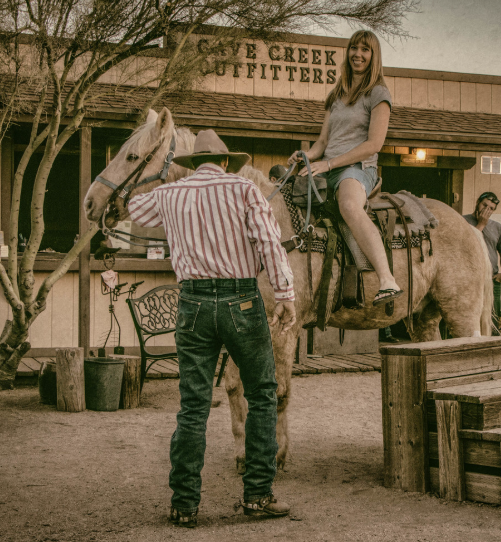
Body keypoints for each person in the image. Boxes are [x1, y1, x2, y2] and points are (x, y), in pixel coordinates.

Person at [128, 129, 297, 528]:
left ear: (192, 164)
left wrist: (165, 175)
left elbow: (134, 208)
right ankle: (257, 495)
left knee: (193, 406)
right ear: (225, 161)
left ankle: (184, 504)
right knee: (262, 394)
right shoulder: (244, 189)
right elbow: (269, 241)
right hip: (240, 300)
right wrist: (285, 292)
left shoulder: (172, 194)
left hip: (193, 303)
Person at [287, 30, 399, 306]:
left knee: (349, 205)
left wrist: (330, 163)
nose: (358, 54)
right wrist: (306, 156)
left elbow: (374, 143)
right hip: (328, 167)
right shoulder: (336, 95)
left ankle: (387, 279)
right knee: (290, 197)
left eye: (365, 50)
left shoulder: (378, 93)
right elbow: (322, 142)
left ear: (374, 56)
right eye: (354, 48)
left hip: (358, 169)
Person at [463, 191, 501, 334]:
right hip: (470, 279)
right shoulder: (463, 221)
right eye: (484, 205)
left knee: (493, 316)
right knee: (470, 316)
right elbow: (467, 246)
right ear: (478, 202)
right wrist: (481, 224)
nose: (486, 210)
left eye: (491, 208)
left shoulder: (497, 227)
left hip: (492, 279)